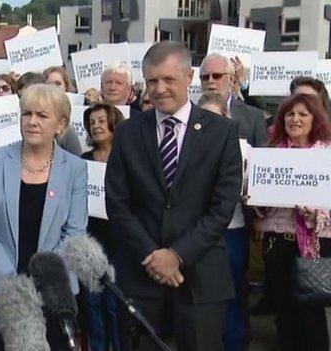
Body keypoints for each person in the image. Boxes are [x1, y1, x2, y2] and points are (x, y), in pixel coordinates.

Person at [105, 41, 242, 350]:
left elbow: (222, 208)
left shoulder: (222, 133)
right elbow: (117, 203)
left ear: (189, 77)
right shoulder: (127, 132)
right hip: (141, 275)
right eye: (152, 81)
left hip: (201, 278)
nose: (160, 88)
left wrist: (177, 255)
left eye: (169, 80)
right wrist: (155, 258)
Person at [0, 83, 88, 351]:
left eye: (42, 115)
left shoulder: (75, 168)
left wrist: (40, 281)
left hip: (51, 292)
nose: (32, 122)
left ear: (60, 125)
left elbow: (75, 232)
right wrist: (9, 281)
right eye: (27, 114)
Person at [253, 93, 331, 351]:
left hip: (314, 245)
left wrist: (315, 215)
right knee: (283, 311)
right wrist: (254, 196)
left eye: (302, 114)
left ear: (314, 119)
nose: (295, 119)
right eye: (289, 114)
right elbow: (260, 208)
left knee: (311, 311)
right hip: (277, 245)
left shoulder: (326, 155)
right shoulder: (269, 154)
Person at [197, 91, 250, 351]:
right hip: (198, 234)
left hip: (232, 232)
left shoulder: (244, 149)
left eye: (215, 117)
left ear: (226, 117)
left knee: (231, 297)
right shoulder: (189, 147)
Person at [81, 103, 124, 351]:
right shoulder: (83, 160)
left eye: (101, 120)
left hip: (119, 239)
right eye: (92, 122)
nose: (96, 126)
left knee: (114, 304)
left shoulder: (126, 157)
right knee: (93, 302)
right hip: (91, 238)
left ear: (113, 123)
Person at [200, 53, 267, 147]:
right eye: (205, 77)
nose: (210, 81)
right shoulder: (189, 117)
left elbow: (261, 158)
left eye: (216, 76)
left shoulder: (253, 118)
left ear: (231, 80)